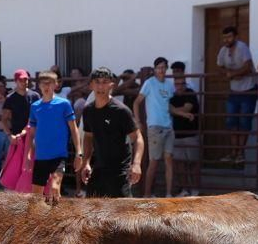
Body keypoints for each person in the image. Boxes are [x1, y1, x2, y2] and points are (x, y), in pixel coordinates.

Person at [79, 68, 143, 198]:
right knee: (91, 211)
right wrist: (86, 162)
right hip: (98, 168)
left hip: (120, 171)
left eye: (105, 82)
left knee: (123, 214)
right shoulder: (88, 111)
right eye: (97, 82)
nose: (100, 86)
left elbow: (138, 138)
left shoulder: (121, 111)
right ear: (91, 85)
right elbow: (88, 137)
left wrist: (136, 164)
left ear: (111, 85)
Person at [24, 71, 79, 199]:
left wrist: (79, 153)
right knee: (36, 195)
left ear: (56, 85)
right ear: (39, 86)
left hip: (59, 156)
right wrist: (27, 155)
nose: (46, 86)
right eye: (43, 83)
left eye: (50, 83)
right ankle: (39, 218)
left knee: (54, 188)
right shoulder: (35, 107)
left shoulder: (64, 104)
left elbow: (74, 128)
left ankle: (55, 217)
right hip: (41, 156)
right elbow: (31, 134)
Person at [133, 57, 176, 196]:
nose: (161, 70)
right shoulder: (149, 83)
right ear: (155, 69)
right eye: (158, 67)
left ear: (166, 68)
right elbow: (136, 102)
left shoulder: (170, 85)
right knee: (154, 162)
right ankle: (146, 195)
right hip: (155, 127)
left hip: (169, 126)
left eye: (163, 67)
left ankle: (168, 194)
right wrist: (138, 122)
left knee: (169, 160)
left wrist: (183, 113)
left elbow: (168, 105)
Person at [215, 26, 256, 161]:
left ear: (236, 37)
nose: (227, 40)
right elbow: (219, 66)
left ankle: (240, 153)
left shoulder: (242, 48)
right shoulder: (223, 51)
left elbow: (248, 66)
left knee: (244, 122)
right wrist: (228, 73)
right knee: (231, 121)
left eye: (230, 37)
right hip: (234, 90)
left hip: (248, 89)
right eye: (225, 37)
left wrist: (234, 74)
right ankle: (233, 152)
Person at [169, 65, 200, 193]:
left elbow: (187, 108)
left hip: (191, 135)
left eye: (182, 83)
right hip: (177, 135)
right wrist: (180, 113)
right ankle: (184, 189)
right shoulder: (172, 96)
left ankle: (195, 189)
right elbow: (168, 109)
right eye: (177, 84)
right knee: (179, 164)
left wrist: (174, 110)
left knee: (193, 164)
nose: (179, 86)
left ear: (185, 83)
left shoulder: (190, 93)